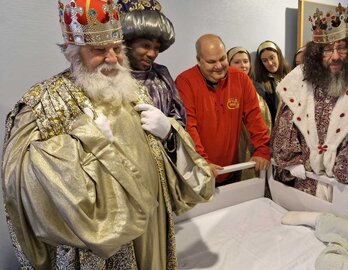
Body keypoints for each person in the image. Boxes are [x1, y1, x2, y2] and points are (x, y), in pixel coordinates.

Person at [1, 1, 214, 269]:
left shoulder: (133, 90)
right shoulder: (43, 101)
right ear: (73, 53)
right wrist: (83, 142)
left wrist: (170, 135)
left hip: (153, 226)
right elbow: (18, 178)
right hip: (100, 245)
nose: (112, 58)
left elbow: (160, 159)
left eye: (116, 48)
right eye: (99, 50)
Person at [271, 3, 348, 207]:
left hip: (340, 187)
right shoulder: (299, 81)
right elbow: (286, 124)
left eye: (341, 48)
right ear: (316, 55)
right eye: (327, 50)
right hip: (304, 179)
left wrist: (342, 172)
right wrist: (292, 160)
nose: (335, 56)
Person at [175, 34, 270, 185]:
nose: (219, 66)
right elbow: (189, 127)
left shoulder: (241, 79)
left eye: (222, 59)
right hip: (199, 172)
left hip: (230, 170)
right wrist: (202, 161)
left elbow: (255, 118)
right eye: (211, 62)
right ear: (199, 61)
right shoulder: (185, 82)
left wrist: (262, 150)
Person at [119, 0, 186, 128]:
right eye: (145, 46)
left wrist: (168, 131)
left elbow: (179, 120)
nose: (152, 54)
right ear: (126, 43)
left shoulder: (162, 77)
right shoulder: (109, 77)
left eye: (157, 47)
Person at [227, 46, 272, 180]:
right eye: (237, 62)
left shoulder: (258, 87)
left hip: (257, 140)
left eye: (246, 61)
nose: (243, 65)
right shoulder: (225, 88)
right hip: (235, 142)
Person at [254, 40, 291, 124]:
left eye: (272, 57)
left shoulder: (290, 76)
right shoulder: (260, 85)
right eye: (265, 60)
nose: (270, 63)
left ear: (278, 56)